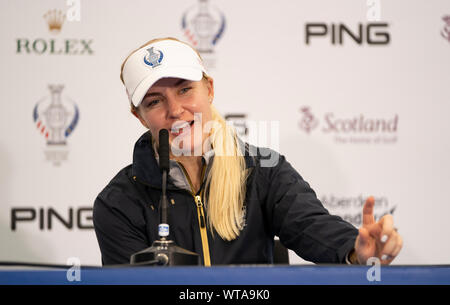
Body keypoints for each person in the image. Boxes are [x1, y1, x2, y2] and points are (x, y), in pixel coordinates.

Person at [93, 37, 403, 266]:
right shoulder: (118, 202)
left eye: (185, 89)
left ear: (209, 89)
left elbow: (312, 227)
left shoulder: (264, 170)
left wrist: (355, 251)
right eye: (154, 101)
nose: (175, 110)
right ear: (140, 116)